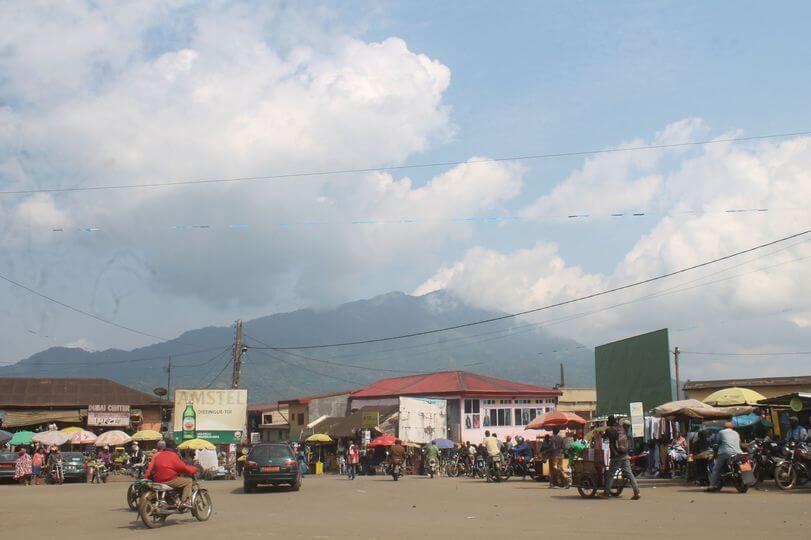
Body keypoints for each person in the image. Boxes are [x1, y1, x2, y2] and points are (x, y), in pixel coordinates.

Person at [145, 440, 198, 508]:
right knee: (188, 481)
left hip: (157, 480)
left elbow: (151, 468)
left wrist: (147, 476)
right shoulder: (173, 455)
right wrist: (194, 469)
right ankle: (184, 502)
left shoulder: (158, 455)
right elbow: (182, 468)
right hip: (169, 480)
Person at [600, 417, 640, 500]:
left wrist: (601, 434)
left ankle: (606, 493)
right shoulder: (621, 429)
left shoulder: (609, 430)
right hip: (625, 455)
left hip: (616, 457)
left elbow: (604, 438)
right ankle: (637, 492)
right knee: (630, 474)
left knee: (610, 474)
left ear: (609, 422)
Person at [706, 421, 743, 492]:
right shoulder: (736, 433)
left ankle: (712, 485)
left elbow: (717, 441)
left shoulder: (721, 432)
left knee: (716, 469)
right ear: (732, 427)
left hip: (725, 452)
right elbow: (739, 442)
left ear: (724, 427)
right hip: (738, 453)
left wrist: (715, 444)